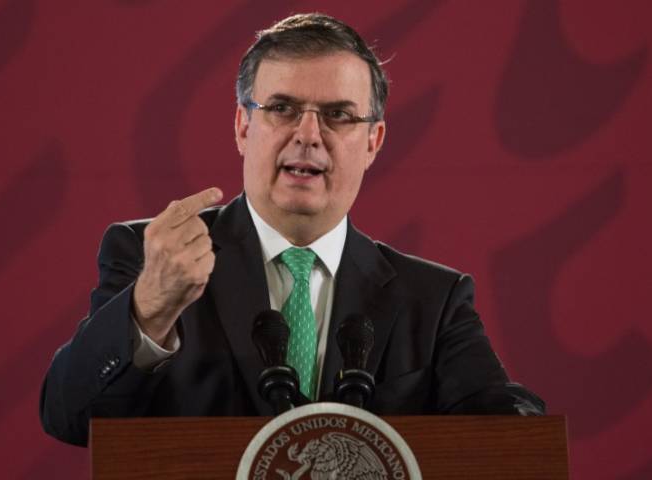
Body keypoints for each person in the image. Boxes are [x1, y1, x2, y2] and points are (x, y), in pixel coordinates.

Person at [40, 13, 544, 447]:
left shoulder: (432, 299)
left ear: (373, 142)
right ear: (243, 127)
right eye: (282, 109)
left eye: (338, 115)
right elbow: (69, 417)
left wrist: (522, 427)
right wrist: (149, 309)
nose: (308, 135)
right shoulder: (151, 258)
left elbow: (504, 426)